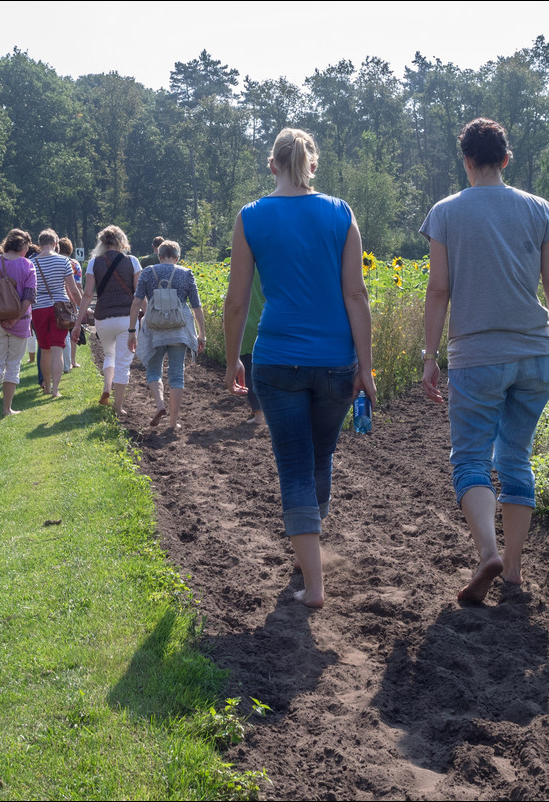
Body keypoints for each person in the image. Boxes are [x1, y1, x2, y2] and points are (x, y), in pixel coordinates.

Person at [419, 117, 549, 604]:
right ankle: (512, 571)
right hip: (534, 353)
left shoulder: (445, 213)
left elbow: (439, 289)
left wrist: (430, 357)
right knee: (515, 458)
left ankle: (487, 551)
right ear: (506, 159)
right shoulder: (539, 210)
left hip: (476, 356)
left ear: (466, 160)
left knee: (470, 459)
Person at [223, 128, 375, 609]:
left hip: (276, 359)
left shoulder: (251, 217)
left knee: (293, 463)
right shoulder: (340, 212)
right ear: (312, 165)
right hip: (335, 362)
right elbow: (356, 295)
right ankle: (307, 555)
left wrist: (231, 361)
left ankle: (313, 584)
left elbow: (237, 301)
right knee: (319, 458)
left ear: (273, 166)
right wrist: (365, 367)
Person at [128, 240, 204, 431]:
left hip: (155, 329)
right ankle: (173, 422)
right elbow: (196, 306)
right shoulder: (186, 274)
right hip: (179, 329)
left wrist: (132, 331)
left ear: (160, 256)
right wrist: (201, 334)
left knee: (153, 371)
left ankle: (160, 405)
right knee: (177, 375)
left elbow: (137, 302)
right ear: (177, 257)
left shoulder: (148, 272)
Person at [72, 225, 141, 412]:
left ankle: (106, 388)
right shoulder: (133, 261)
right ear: (122, 242)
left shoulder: (94, 263)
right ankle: (118, 407)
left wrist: (77, 324)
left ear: (102, 243)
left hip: (103, 319)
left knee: (109, 354)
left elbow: (87, 295)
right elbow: (139, 294)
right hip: (127, 319)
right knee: (123, 363)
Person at [0, 229, 37, 420]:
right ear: (24, 246)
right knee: (13, 365)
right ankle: (7, 408)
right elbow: (29, 296)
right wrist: (16, 317)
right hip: (20, 322)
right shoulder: (28, 265)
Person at [29, 228, 83, 398]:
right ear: (56, 244)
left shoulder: (31, 262)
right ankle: (55, 390)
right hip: (60, 307)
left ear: (39, 244)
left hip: (38, 309)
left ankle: (46, 386)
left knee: (44, 349)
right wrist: (82, 307)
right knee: (57, 348)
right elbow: (73, 290)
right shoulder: (64, 261)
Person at [238, 272, 267, 425]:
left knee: (249, 371)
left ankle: (258, 415)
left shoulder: (243, 267)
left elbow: (234, 299)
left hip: (247, 326)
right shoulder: (272, 264)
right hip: (270, 323)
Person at [58, 237, 83, 371]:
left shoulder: (53, 261)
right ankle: (72, 360)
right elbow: (78, 286)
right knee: (73, 331)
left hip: (56, 302)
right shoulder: (74, 263)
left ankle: (60, 361)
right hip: (71, 302)